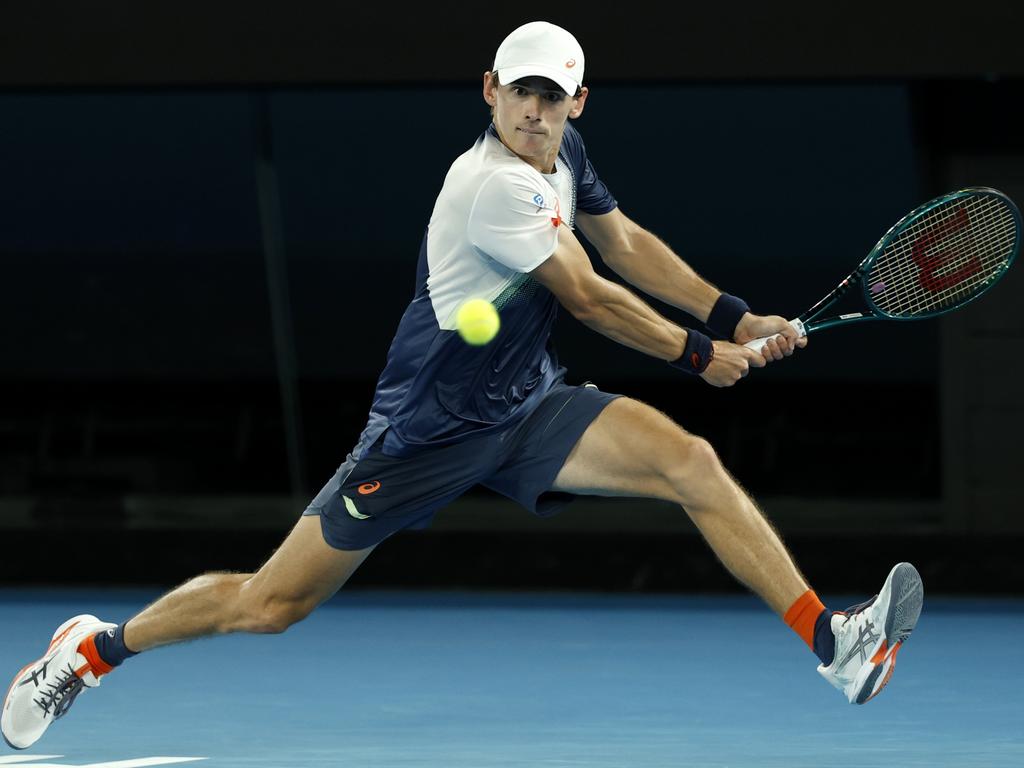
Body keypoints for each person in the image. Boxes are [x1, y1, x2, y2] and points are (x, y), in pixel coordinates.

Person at [1, 20, 924, 750]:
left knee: (691, 462)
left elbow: (625, 243)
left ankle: (833, 644)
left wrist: (733, 316)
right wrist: (697, 356)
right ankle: (90, 650)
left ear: (577, 104)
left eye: (550, 97)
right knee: (269, 606)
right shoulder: (489, 186)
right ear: (489, 90)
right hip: (423, 433)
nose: (532, 111)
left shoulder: (564, 160)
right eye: (518, 91)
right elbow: (593, 297)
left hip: (526, 406)